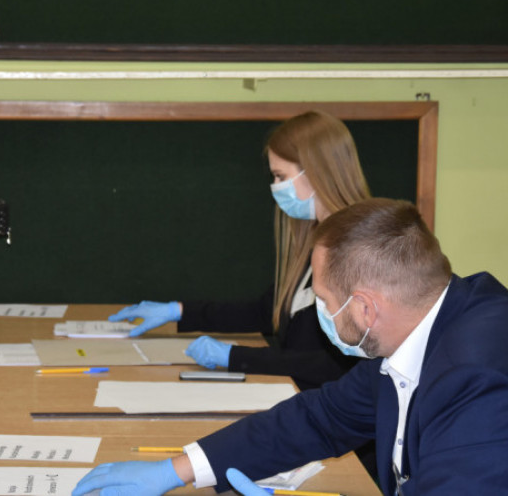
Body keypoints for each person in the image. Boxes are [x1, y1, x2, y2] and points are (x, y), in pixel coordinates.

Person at [73, 198, 508, 496]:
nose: (320, 312)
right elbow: (318, 420)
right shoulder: (419, 329)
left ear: (365, 309)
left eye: (324, 300)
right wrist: (176, 470)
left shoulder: (477, 380)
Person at [109, 110, 371, 391]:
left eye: (280, 176)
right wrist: (180, 311)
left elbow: (336, 366)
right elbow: (266, 311)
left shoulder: (359, 250)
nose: (276, 187)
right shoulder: (315, 241)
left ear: (317, 171)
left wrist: (234, 356)